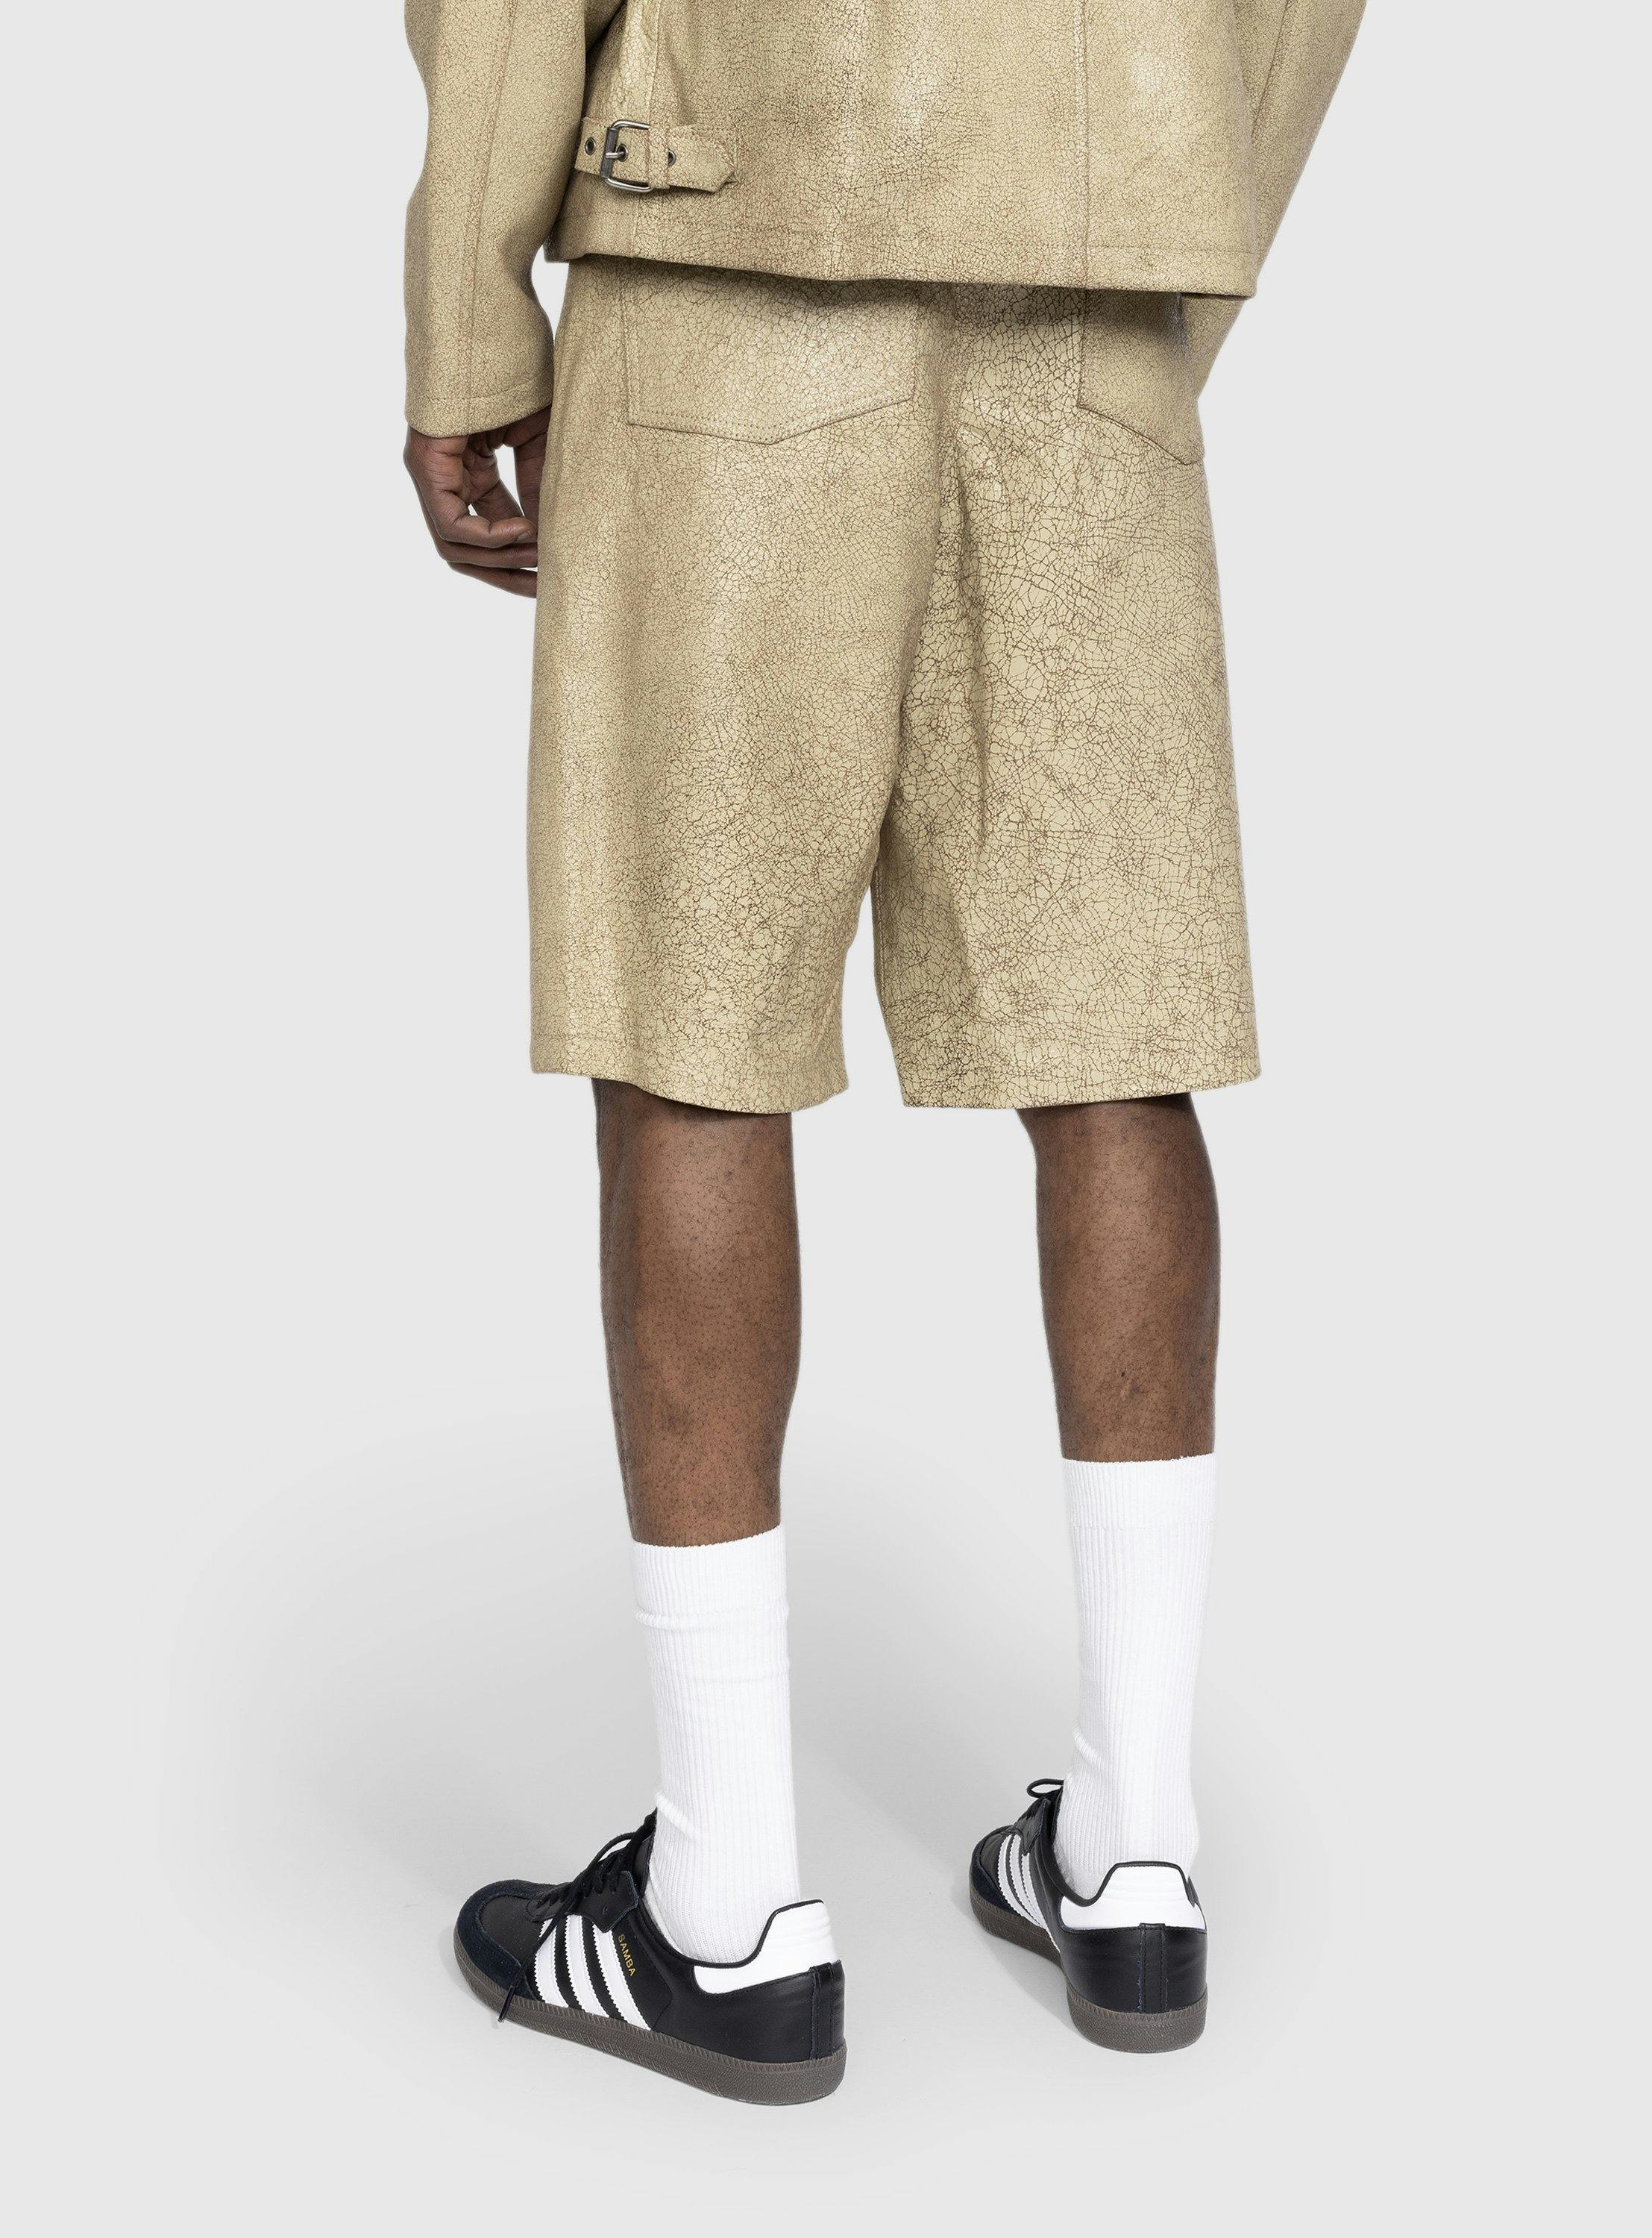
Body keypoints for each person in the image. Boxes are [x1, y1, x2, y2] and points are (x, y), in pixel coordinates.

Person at [403, 0, 1365, 2103]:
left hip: (730, 263)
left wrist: (469, 327)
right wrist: (1164, 224)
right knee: (1114, 1030)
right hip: (1092, 280)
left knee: (690, 1028)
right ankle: (1134, 1853)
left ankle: (728, 1913)